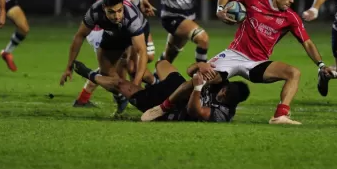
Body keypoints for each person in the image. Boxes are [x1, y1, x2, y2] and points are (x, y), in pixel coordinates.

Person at [144, 0, 335, 125]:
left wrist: (321, 64)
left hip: (257, 62)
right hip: (234, 55)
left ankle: (280, 116)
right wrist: (220, 9)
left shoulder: (290, 18)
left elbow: (307, 43)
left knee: (293, 72)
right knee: (200, 79)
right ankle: (163, 107)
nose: (292, 0)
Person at [74, 0, 156, 107]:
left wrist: (142, 2)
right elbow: (105, 1)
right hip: (106, 30)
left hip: (122, 27)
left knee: (133, 61)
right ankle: (131, 94)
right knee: (121, 66)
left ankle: (126, 95)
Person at [71, 59, 250, 122]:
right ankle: (153, 81)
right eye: (225, 90)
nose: (222, 93)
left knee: (121, 85)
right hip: (177, 88)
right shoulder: (219, 81)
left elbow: (193, 110)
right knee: (162, 63)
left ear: (233, 103)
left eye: (226, 97)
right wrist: (199, 65)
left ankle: (89, 74)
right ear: (226, 85)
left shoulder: (223, 114)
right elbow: (189, 71)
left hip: (173, 110)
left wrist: (197, 87)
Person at [60, 0, 148, 112]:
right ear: (103, 7)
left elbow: (142, 51)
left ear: (122, 6)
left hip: (136, 33)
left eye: (119, 11)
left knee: (133, 69)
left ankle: (156, 83)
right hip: (112, 32)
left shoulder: (131, 18)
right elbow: (79, 36)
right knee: (105, 71)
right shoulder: (94, 12)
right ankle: (121, 96)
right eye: (111, 12)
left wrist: (136, 84)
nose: (116, 16)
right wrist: (68, 67)